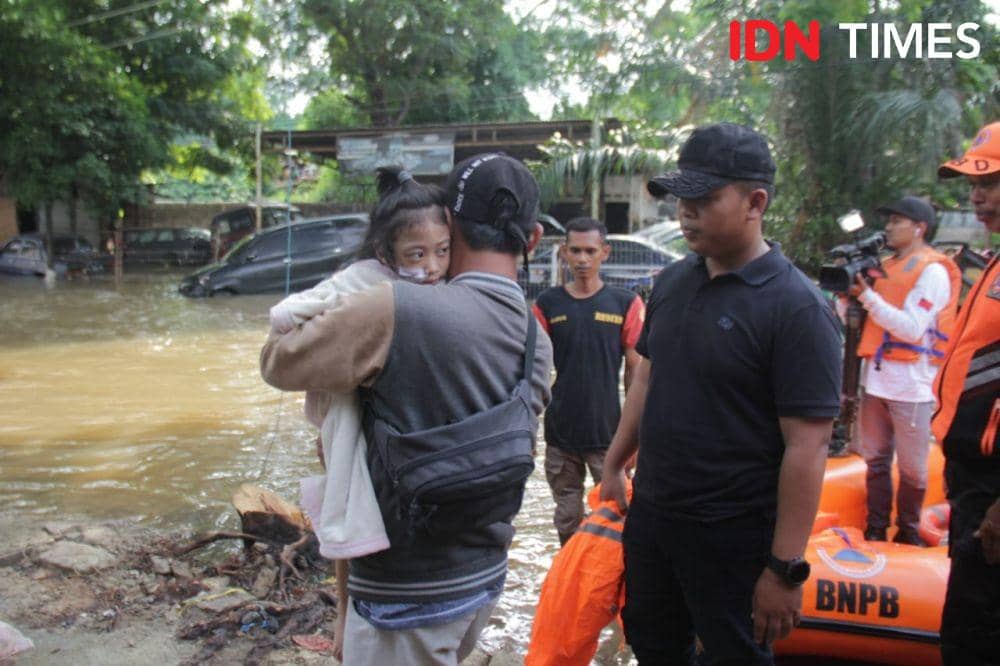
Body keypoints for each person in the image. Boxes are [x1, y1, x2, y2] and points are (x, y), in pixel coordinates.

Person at [261, 152, 553, 666]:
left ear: (448, 226)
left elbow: (277, 363)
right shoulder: (538, 337)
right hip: (483, 577)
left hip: (402, 595)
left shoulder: (391, 306)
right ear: (533, 239)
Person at [600, 122, 842, 664]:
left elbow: (809, 445)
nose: (685, 213)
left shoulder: (797, 309)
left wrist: (784, 568)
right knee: (653, 644)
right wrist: (615, 461)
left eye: (704, 199)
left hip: (733, 534)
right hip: (655, 515)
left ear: (755, 203)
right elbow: (648, 377)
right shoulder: (672, 283)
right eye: (680, 198)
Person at [267, 166, 450, 660]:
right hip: (359, 431)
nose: (433, 265)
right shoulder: (366, 287)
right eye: (417, 254)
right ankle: (346, 620)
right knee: (351, 524)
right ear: (386, 253)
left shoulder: (447, 289)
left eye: (442, 250)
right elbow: (288, 317)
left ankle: (351, 625)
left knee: (358, 523)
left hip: (393, 440)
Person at [850, 196, 960, 545]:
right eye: (889, 220)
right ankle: (876, 527)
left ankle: (909, 532)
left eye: (897, 221)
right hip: (876, 381)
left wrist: (867, 297)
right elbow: (864, 319)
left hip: (912, 386)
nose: (889, 227)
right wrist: (848, 299)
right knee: (876, 461)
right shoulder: (885, 267)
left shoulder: (932, 271)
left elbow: (912, 328)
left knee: (912, 469)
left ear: (919, 228)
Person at [532, 217, 644, 545]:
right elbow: (535, 370)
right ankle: (569, 573)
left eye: (590, 251)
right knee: (567, 518)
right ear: (564, 252)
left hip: (609, 436)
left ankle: (611, 578)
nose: (582, 259)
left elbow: (636, 372)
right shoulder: (547, 304)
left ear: (604, 253)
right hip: (560, 434)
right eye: (576, 250)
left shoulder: (625, 303)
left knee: (615, 517)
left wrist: (633, 438)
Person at [934, 120, 1000, 665]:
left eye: (991, 182)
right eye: (974, 184)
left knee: (975, 636)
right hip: (973, 483)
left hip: (994, 490)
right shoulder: (993, 262)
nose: (977, 196)